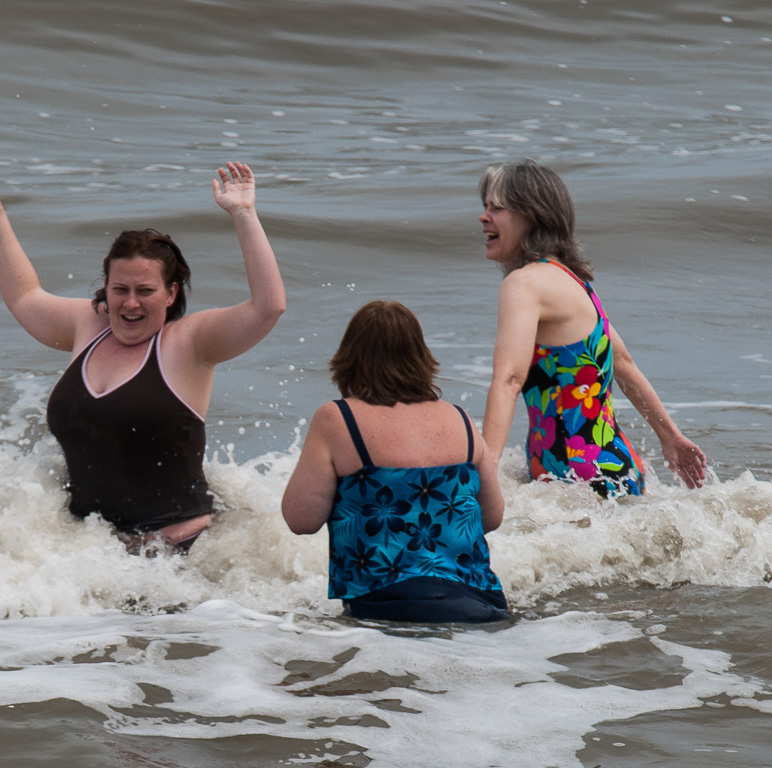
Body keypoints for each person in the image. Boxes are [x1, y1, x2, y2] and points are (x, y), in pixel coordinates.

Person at [0, 151, 286, 549]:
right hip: (93, 556)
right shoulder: (88, 325)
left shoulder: (190, 342)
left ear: (171, 293)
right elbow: (25, 296)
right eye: (120, 290)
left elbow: (269, 307)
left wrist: (244, 215)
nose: (130, 304)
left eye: (145, 291)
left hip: (180, 553)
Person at [479, 160, 707, 498]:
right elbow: (624, 364)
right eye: (485, 206)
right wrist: (670, 438)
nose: (484, 217)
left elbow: (509, 378)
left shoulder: (523, 284)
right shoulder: (576, 283)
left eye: (497, 208)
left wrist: (486, 467)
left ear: (532, 215)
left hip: (577, 479)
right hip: (614, 467)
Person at [282, 301, 507, 623]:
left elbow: (301, 521)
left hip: (387, 608)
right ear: (420, 355)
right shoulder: (460, 419)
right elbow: (492, 517)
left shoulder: (337, 417)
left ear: (349, 358)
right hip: (480, 605)